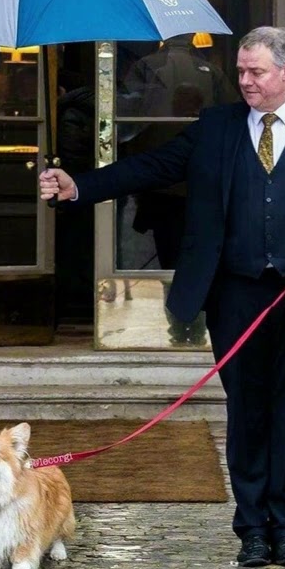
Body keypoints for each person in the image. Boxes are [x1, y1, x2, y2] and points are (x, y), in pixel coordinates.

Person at [38, 26, 285, 569]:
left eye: (256, 71)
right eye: (241, 71)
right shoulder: (216, 127)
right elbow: (152, 166)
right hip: (235, 296)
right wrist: (80, 186)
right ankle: (253, 532)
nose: (245, 81)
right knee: (247, 415)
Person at [119, 34, 239, 344]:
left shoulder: (148, 67)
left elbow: (126, 119)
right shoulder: (211, 72)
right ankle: (196, 328)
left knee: (170, 257)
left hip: (162, 188)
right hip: (203, 188)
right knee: (199, 258)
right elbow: (235, 118)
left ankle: (179, 327)